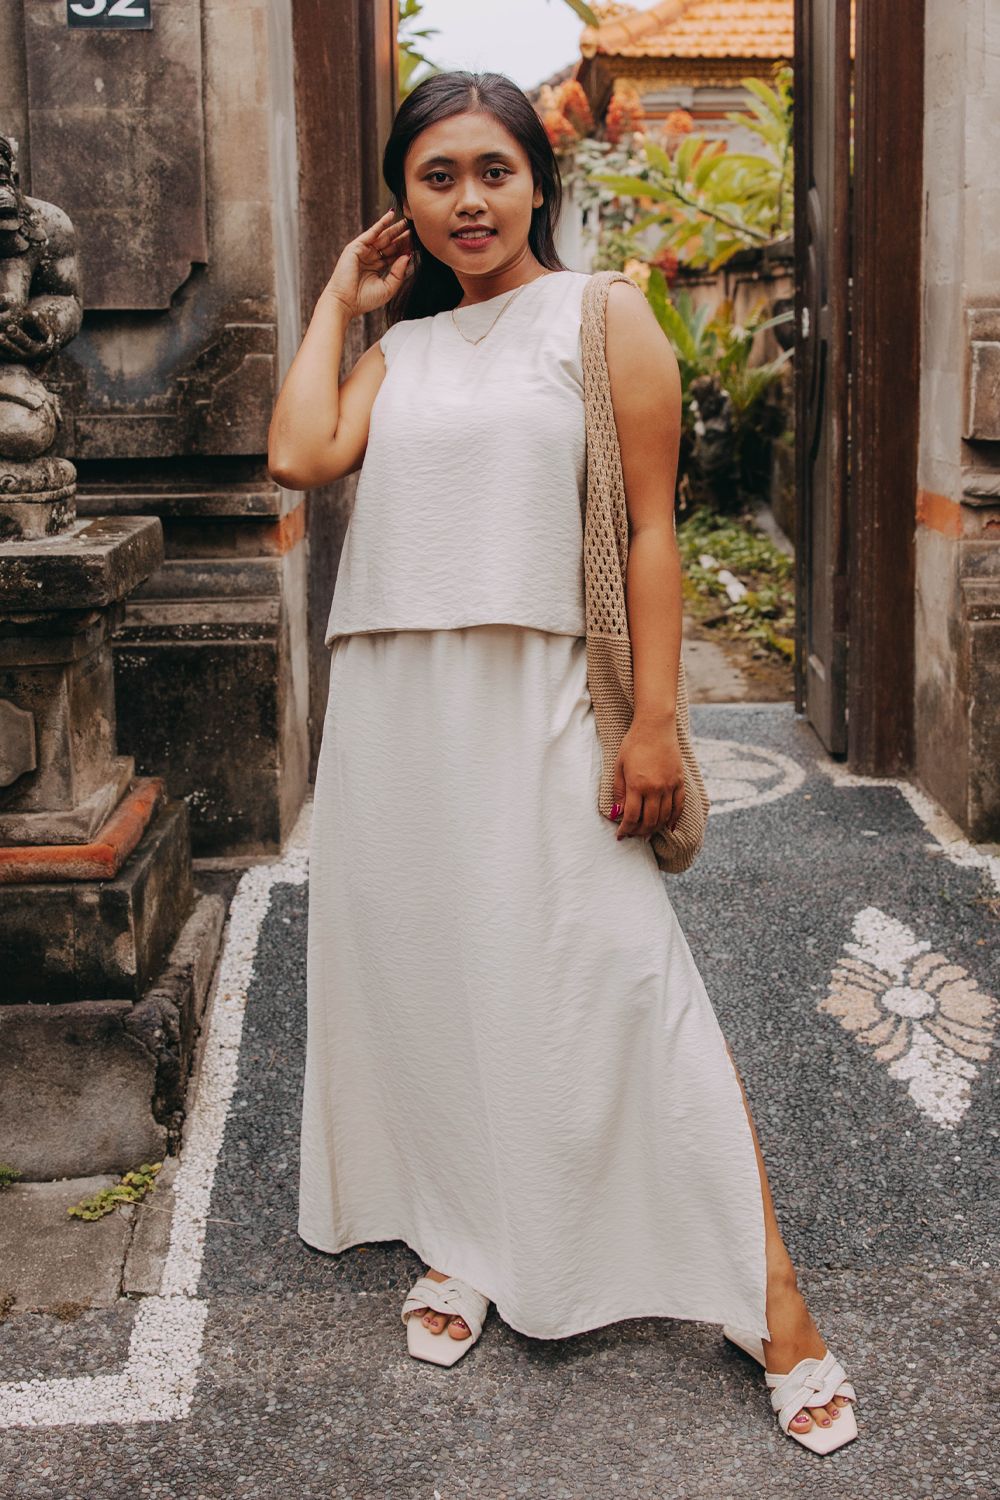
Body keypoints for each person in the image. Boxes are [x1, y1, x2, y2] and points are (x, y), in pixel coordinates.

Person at [267, 70, 859, 1455]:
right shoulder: (402, 351)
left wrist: (655, 719)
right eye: (436, 178)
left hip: (537, 695)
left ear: (539, 180)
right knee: (436, 977)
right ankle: (468, 1235)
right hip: (394, 703)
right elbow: (300, 453)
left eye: (493, 170)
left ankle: (771, 1300)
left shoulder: (602, 317)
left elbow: (651, 529)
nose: (468, 200)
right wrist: (340, 302)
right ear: (403, 205)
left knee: (620, 974)